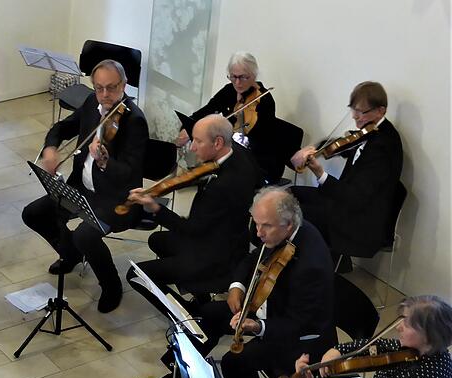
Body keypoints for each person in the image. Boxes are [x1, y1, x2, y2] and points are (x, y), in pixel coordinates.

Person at [138, 187, 337, 378]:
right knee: (208, 314)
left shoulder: (311, 265)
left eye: (265, 226)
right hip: (274, 308)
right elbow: (254, 258)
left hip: (302, 339)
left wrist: (258, 326)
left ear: (288, 225)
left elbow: (301, 323)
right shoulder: (279, 233)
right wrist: (236, 286)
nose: (258, 232)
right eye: (256, 223)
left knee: (235, 362)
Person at [21, 59, 149, 313]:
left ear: (124, 85)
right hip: (82, 188)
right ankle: (70, 254)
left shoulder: (134, 120)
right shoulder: (93, 103)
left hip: (118, 199)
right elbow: (61, 127)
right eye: (99, 88)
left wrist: (105, 162)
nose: (104, 95)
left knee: (85, 234)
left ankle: (111, 285)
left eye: (111, 88)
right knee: (33, 213)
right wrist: (50, 148)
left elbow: (129, 173)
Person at [124, 114, 261, 308]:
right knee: (157, 240)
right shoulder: (239, 153)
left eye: (198, 141)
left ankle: (189, 316)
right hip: (230, 239)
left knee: (136, 274)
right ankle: (200, 294)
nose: (192, 147)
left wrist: (155, 208)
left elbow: (190, 229)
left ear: (218, 142)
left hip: (213, 255)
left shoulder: (221, 187)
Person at [296, 295, 452, 378]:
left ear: (428, 336)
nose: (398, 327)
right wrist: (339, 350)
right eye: (401, 320)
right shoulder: (435, 351)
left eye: (408, 324)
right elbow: (379, 346)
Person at [290, 81, 403, 260]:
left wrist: (321, 174)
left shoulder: (384, 146)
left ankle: (313, 265)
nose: (355, 117)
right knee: (290, 194)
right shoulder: (371, 131)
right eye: (353, 110)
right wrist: (312, 148)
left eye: (362, 112)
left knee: (291, 212)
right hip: (342, 204)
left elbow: (355, 197)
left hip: (358, 220)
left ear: (381, 110)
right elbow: (344, 144)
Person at [177, 52, 285, 184]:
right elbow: (208, 109)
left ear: (254, 75)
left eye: (243, 77)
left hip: (257, 162)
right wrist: (189, 129)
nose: (238, 83)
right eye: (233, 77)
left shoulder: (265, 101)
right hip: (233, 156)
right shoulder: (229, 91)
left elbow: (260, 142)